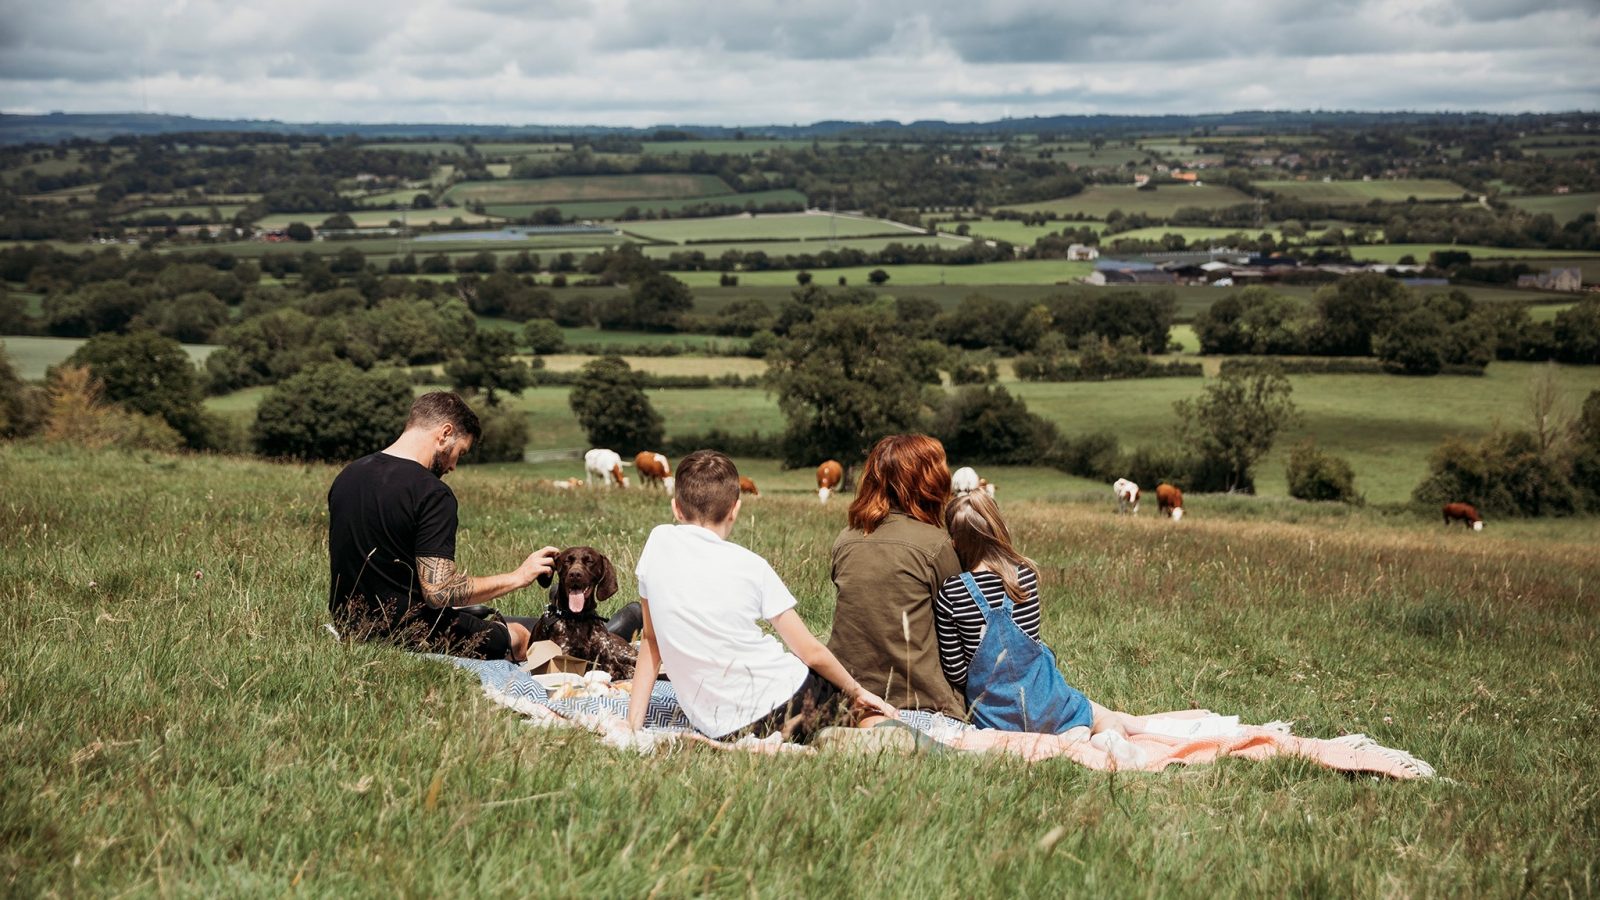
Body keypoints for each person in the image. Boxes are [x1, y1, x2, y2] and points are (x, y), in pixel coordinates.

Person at [625, 449, 896, 742]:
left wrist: (632, 726)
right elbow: (811, 652)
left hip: (723, 728)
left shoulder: (657, 543)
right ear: (735, 509)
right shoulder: (752, 566)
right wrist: (858, 691)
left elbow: (651, 642)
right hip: (787, 698)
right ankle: (905, 740)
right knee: (856, 704)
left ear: (676, 508)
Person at [326, 391, 560, 661]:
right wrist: (518, 577)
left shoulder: (348, 475)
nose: (453, 466)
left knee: (485, 617)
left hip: (351, 628)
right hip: (408, 634)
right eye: (459, 452)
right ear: (445, 433)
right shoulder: (432, 493)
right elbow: (440, 592)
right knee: (520, 635)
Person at [937, 490, 1150, 741]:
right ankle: (1104, 738)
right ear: (998, 529)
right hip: (1047, 703)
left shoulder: (951, 593)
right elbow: (1033, 644)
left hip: (993, 718)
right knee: (1102, 716)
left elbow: (956, 672)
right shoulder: (1024, 576)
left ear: (955, 543)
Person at [826, 434, 966, 719]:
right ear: (931, 482)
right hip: (918, 703)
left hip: (845, 698)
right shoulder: (937, 546)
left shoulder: (845, 539)